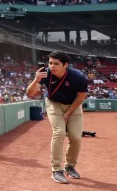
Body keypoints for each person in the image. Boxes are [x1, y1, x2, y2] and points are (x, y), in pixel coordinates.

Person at [26, 51, 88, 184]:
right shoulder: (45, 74)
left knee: (76, 137)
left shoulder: (78, 77)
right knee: (59, 132)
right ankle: (56, 170)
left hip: (74, 106)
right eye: (50, 63)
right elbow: (30, 93)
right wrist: (36, 80)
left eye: (56, 64)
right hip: (54, 104)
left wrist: (68, 113)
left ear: (65, 65)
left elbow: (81, 97)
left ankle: (70, 166)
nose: (52, 66)